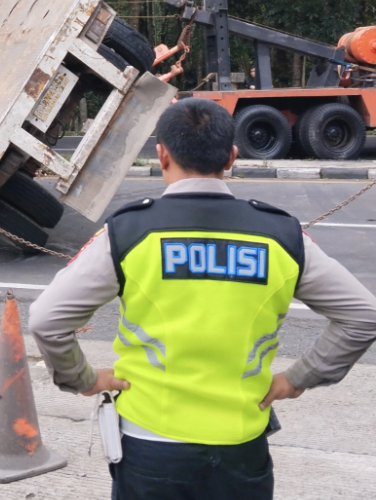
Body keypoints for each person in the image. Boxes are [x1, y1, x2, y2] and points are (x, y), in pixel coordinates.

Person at [28, 98, 376, 500]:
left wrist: (84, 379)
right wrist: (299, 379)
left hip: (150, 443)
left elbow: (46, 319)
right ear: (231, 157)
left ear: (162, 155)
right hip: (241, 445)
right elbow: (363, 315)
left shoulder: (130, 232)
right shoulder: (281, 236)